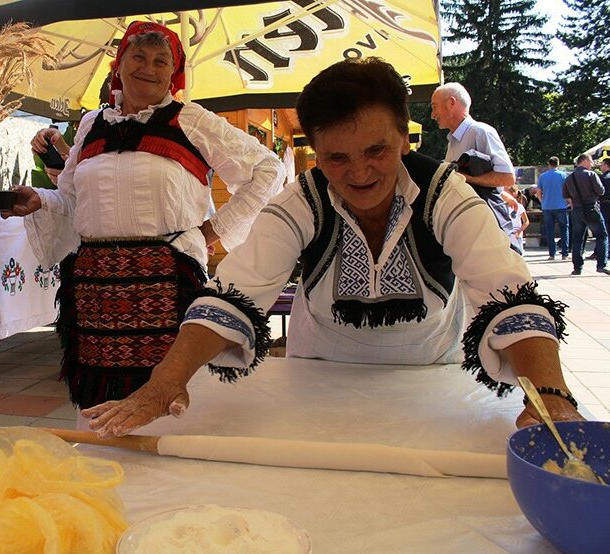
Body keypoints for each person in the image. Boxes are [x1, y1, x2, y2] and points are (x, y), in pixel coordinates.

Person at [82, 57, 584, 438]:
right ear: (315, 153)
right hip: (315, 380)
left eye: (377, 150)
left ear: (405, 140)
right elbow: (235, 294)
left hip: (430, 381)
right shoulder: (301, 199)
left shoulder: (444, 192)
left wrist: (552, 397)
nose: (360, 173)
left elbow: (509, 291)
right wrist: (165, 381)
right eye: (337, 157)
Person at [1, 21, 285, 412]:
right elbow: (69, 198)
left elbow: (267, 169)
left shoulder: (190, 120)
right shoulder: (89, 126)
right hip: (95, 290)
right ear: (119, 65)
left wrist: (213, 231)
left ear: (173, 72)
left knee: (167, 396)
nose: (147, 68)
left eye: (160, 61)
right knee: (99, 403)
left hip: (168, 280)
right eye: (138, 57)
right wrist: (38, 200)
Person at [430, 83, 519, 252]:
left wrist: (466, 180)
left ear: (451, 102)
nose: (433, 114)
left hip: (485, 229)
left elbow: (507, 177)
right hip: (471, 226)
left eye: (435, 107)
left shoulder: (480, 132)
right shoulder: (454, 140)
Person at [563, 154, 608, 275]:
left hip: (577, 210)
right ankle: (601, 265)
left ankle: (577, 268)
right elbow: (601, 191)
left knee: (577, 239)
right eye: (591, 161)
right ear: (584, 161)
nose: (592, 164)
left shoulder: (569, 177)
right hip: (591, 208)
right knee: (602, 236)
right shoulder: (591, 175)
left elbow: (565, 195)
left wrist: (573, 203)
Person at [536, 156, 570, 260]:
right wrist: (568, 202)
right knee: (564, 229)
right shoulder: (563, 175)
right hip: (561, 206)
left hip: (547, 206)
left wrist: (542, 201)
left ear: (549, 164)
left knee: (549, 230)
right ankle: (564, 253)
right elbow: (568, 191)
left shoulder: (542, 176)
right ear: (558, 164)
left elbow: (538, 192)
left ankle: (552, 254)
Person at [504, 185, 529, 254]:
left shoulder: (519, 207)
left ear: (513, 194)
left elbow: (526, 221)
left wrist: (519, 231)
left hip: (516, 234)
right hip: (506, 233)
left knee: (518, 254)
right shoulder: (502, 206)